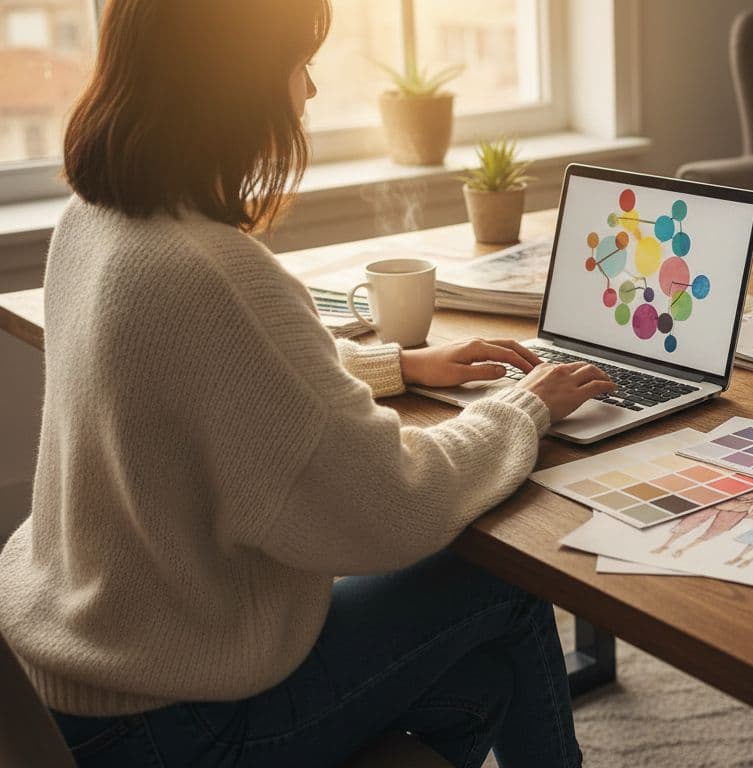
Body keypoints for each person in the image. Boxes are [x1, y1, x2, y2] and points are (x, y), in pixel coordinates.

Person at [0, 2, 613, 766]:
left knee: (485, 677)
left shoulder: (92, 221)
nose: (309, 92)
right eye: (297, 63)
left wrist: (395, 365)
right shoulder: (212, 276)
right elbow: (390, 504)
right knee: (505, 586)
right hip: (178, 723)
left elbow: (206, 388)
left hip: (74, 680)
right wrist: (524, 409)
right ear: (231, 85)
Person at [651, 487, 753, 557]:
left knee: (715, 530)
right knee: (690, 522)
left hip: (737, 510)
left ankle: (684, 549)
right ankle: (665, 544)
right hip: (717, 502)